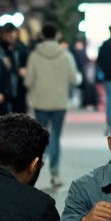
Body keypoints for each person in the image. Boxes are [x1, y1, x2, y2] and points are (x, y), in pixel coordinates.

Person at [24, 22, 79, 188]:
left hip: (40, 101)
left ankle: (35, 169)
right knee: (55, 136)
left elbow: (28, 81)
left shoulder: (34, 55)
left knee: (41, 137)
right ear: (57, 35)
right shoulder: (65, 56)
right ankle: (55, 173)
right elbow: (73, 79)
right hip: (59, 102)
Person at [0, 23, 28, 113]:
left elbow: (26, 64)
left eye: (12, 33)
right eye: (7, 34)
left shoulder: (21, 48)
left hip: (19, 87)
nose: (9, 37)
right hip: (3, 88)